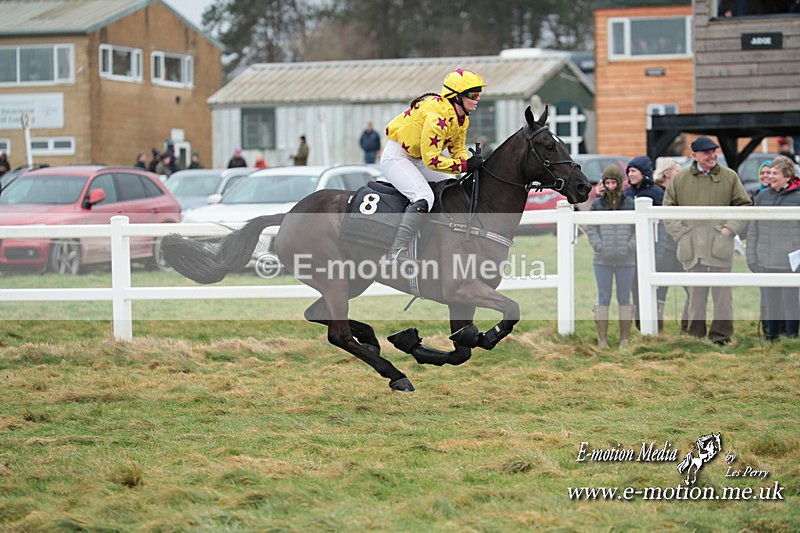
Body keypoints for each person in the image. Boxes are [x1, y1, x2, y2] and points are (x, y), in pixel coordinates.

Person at [380, 68, 486, 263]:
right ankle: (396, 252)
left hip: (417, 159)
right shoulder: (438, 117)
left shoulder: (461, 118)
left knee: (452, 187)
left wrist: (470, 162)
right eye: (473, 94)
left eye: (479, 93)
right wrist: (464, 166)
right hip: (397, 158)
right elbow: (433, 160)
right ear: (457, 97)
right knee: (424, 196)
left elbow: (457, 149)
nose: (477, 98)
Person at [663, 136, 752, 345]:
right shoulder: (680, 179)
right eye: (706, 152)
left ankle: (721, 336)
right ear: (694, 156)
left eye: (714, 151)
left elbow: (744, 205)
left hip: (720, 245)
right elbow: (668, 209)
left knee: (722, 295)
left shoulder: (730, 177)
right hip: (691, 246)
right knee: (695, 293)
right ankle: (694, 336)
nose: (712, 155)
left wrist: (730, 228)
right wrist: (681, 234)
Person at [746, 156, 800, 341]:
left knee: (790, 301)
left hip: (789, 260)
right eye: (770, 173)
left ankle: (792, 336)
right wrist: (751, 255)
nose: (771, 176)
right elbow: (754, 227)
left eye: (775, 173)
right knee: (771, 302)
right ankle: (771, 336)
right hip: (765, 259)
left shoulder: (798, 196)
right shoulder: (762, 196)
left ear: (787, 176)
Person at [585, 165, 637, 349]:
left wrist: (629, 247)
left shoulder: (630, 203)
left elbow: (636, 230)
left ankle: (624, 339)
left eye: (614, 182)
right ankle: (602, 340)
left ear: (620, 183)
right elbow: (591, 229)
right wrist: (600, 246)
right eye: (607, 182)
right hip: (602, 260)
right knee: (604, 297)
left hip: (626, 260)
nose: (611, 186)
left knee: (624, 298)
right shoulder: (597, 205)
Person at [624, 156, 664, 331]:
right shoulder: (626, 194)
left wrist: (658, 253)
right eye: (629, 171)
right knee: (636, 290)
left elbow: (663, 226)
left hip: (654, 250)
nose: (630, 175)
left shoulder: (657, 194)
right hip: (632, 252)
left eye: (633, 171)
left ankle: (655, 325)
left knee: (655, 292)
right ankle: (641, 327)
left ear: (644, 173)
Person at [653, 157, 687, 332]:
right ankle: (656, 329)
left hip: (680, 246)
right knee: (660, 289)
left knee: (691, 287)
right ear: (667, 173)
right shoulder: (657, 192)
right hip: (664, 248)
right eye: (678, 171)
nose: (682, 174)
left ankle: (688, 328)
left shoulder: (683, 192)